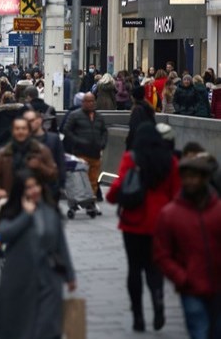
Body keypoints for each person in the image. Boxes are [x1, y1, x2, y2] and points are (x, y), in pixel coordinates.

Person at [106, 123, 181, 332]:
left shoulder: (131, 158)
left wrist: (112, 198)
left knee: (134, 269)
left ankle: (138, 315)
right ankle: (158, 302)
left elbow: (118, 187)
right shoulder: (171, 161)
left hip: (133, 222)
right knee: (154, 268)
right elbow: (177, 193)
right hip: (161, 223)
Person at [0, 170, 76, 339]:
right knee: (19, 326)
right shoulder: (11, 210)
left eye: (36, 185)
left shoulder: (50, 211)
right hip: (19, 279)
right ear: (21, 191)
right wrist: (26, 216)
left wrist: (69, 275)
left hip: (49, 278)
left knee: (48, 327)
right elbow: (2, 235)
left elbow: (60, 244)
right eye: (29, 188)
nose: (34, 190)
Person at [153, 155, 221, 339]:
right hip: (191, 287)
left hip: (218, 286)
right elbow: (161, 254)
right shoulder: (170, 214)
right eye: (187, 177)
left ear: (205, 179)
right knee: (199, 331)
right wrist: (182, 277)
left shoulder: (217, 210)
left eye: (195, 176)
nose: (190, 181)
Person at [0, 117, 58, 202]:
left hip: (37, 200)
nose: (20, 131)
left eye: (23, 129)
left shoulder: (41, 151)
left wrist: (40, 166)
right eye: (17, 129)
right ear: (12, 131)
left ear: (29, 131)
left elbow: (54, 174)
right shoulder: (3, 153)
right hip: (10, 199)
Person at [63, 92, 108, 198]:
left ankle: (91, 198)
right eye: (88, 101)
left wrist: (102, 143)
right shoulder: (75, 115)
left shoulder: (99, 117)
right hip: (80, 153)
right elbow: (66, 130)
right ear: (83, 102)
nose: (90, 104)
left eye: (92, 101)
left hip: (95, 153)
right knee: (81, 178)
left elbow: (104, 131)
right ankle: (82, 198)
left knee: (94, 179)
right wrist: (77, 141)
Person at [23, 110, 66, 199]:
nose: (29, 124)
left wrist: (61, 184)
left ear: (39, 120)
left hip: (50, 186)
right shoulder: (23, 140)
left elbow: (60, 161)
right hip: (29, 186)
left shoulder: (53, 139)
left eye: (31, 120)